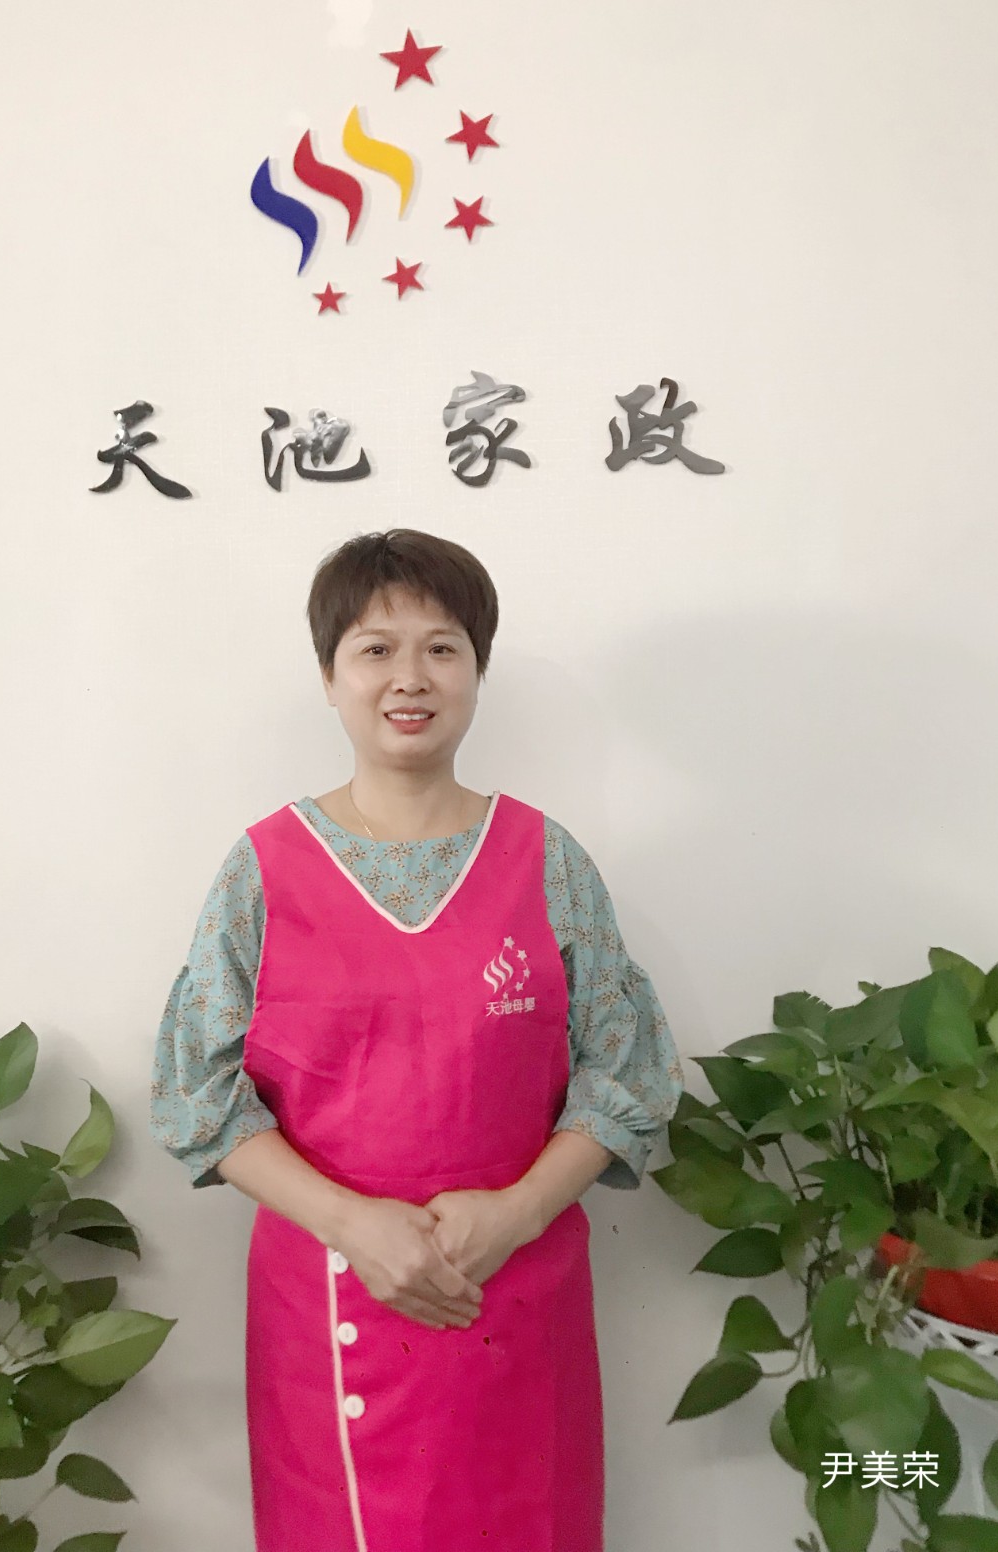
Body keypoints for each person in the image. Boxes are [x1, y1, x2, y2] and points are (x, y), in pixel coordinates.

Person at [149, 528, 683, 1552]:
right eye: (376, 649)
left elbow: (627, 1072)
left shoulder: (546, 859)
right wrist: (353, 1224)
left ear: (478, 670)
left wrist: (518, 1211)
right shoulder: (264, 869)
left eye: (443, 648)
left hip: (515, 1287)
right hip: (329, 1298)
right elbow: (197, 1096)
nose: (411, 677)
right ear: (329, 675)